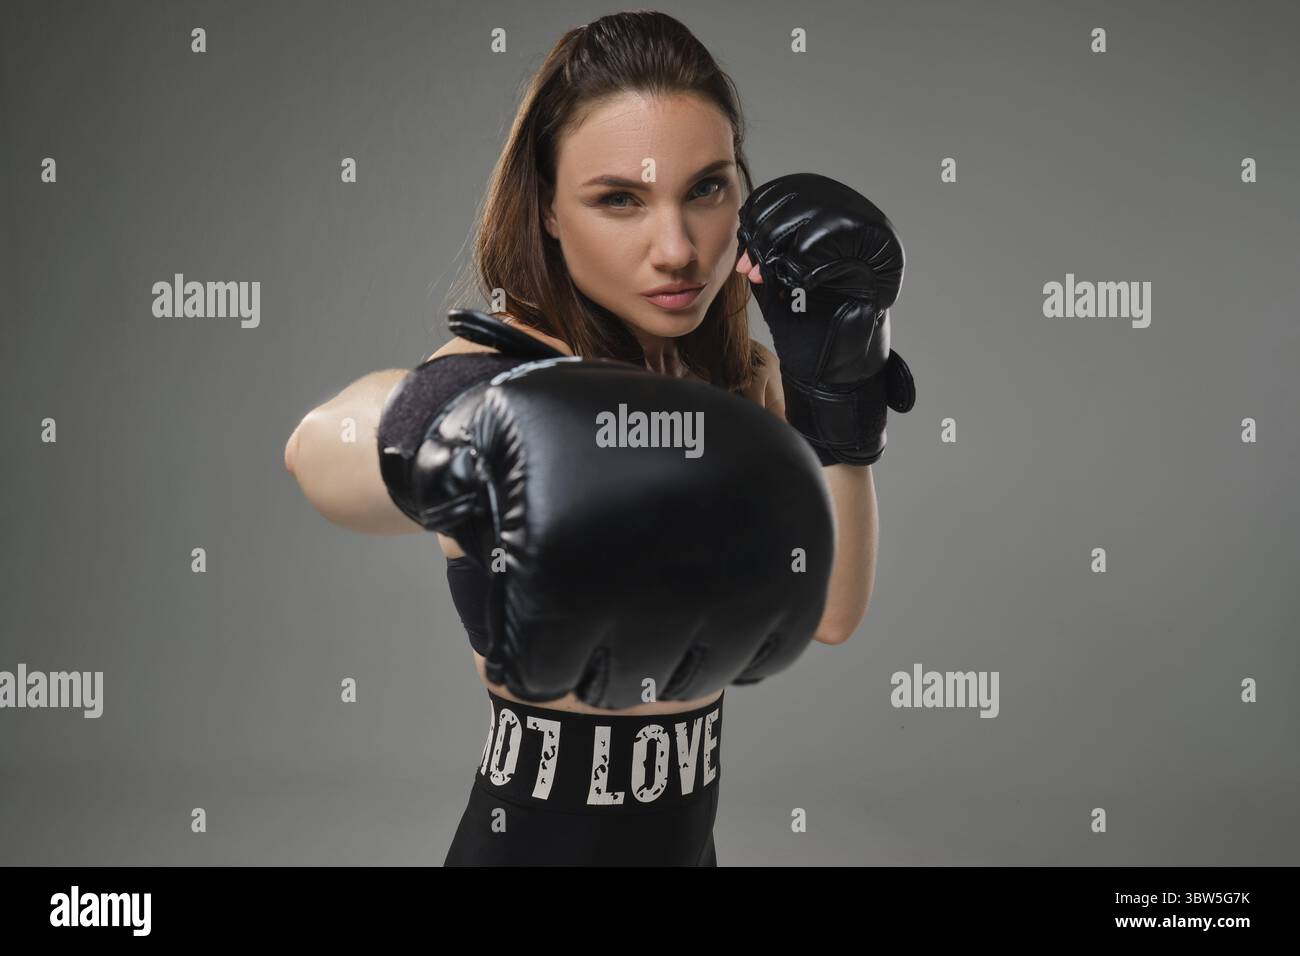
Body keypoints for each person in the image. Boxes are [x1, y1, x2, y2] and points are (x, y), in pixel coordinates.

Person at [284, 11, 914, 866]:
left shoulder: (741, 376)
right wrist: (454, 429)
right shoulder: (505, 371)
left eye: (708, 189)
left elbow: (831, 614)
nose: (678, 249)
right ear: (546, 209)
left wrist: (838, 397)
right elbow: (321, 447)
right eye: (620, 198)